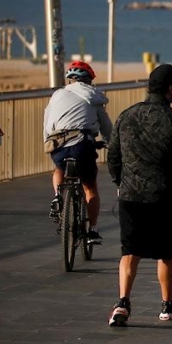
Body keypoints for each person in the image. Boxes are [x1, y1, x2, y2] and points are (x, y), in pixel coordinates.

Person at [107, 64, 172, 326]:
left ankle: (122, 303)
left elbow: (112, 156)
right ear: (170, 88)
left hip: (130, 195)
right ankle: (168, 304)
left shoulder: (126, 116)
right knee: (166, 253)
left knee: (129, 251)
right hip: (164, 197)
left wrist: (119, 181)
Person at [43, 61, 112, 242]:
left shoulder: (56, 96)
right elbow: (107, 129)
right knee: (90, 186)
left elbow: (47, 122)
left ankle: (58, 196)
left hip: (56, 144)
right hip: (82, 145)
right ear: (89, 80)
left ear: (69, 80)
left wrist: (47, 142)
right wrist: (112, 143)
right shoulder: (93, 98)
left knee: (59, 168)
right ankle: (93, 230)